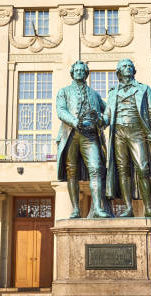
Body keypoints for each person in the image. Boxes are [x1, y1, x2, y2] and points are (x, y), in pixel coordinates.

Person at [102, 58, 151, 217]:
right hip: (118, 132)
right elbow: (107, 115)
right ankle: (128, 208)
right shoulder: (112, 92)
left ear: (134, 70)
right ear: (118, 72)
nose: (127, 68)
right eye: (124, 66)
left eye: (130, 66)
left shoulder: (143, 89)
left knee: (142, 168)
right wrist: (100, 121)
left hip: (137, 131)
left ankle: (147, 207)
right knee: (122, 170)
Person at [56, 60, 110, 218]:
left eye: (82, 70)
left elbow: (108, 111)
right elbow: (61, 110)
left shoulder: (94, 94)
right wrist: (74, 121)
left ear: (86, 74)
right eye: (76, 70)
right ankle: (75, 209)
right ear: (72, 74)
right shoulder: (64, 91)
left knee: (96, 168)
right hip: (71, 134)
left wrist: (102, 120)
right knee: (72, 172)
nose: (79, 72)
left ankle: (98, 209)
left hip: (90, 135)